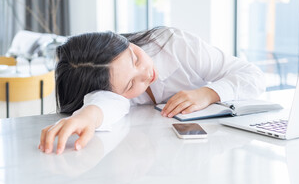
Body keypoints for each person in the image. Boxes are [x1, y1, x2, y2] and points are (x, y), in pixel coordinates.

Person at [39, 27, 266, 155]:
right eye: (130, 84)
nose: (146, 74)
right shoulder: (107, 87)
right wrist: (87, 115)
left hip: (227, 140)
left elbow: (254, 77)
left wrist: (208, 93)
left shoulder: (174, 45)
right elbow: (104, 102)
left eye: (135, 58)